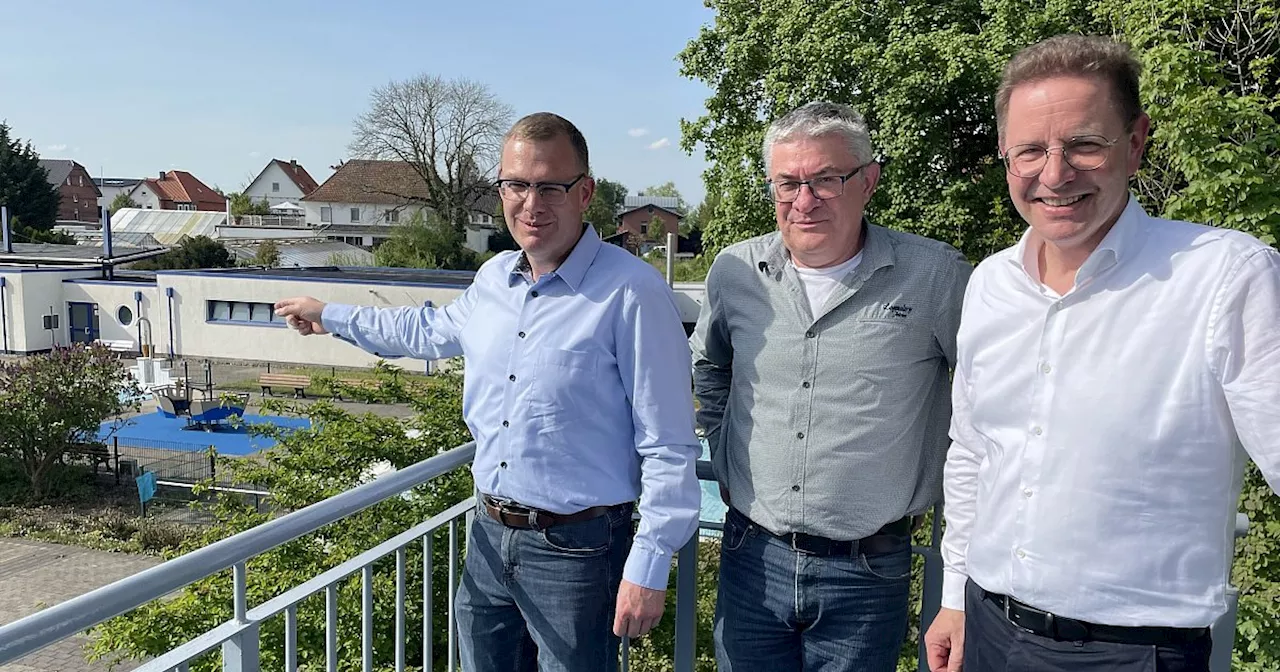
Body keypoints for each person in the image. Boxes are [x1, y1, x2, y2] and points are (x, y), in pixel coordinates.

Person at [274, 112, 702, 672]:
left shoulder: (633, 293)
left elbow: (669, 442)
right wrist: (330, 315)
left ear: (586, 193)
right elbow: (427, 331)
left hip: (579, 550)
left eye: (551, 186)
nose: (532, 203)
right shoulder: (495, 277)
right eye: (516, 185)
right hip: (487, 536)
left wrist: (649, 564)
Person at [924, 34, 1280, 672]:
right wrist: (953, 598)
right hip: (988, 626)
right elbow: (975, 451)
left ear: (1137, 142)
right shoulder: (991, 283)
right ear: (1006, 158)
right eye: (1030, 150)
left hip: (1135, 649)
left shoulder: (1227, 276)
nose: (1054, 174)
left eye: (1084, 144)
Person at [690, 100, 971, 671]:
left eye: (826, 179)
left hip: (867, 568)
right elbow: (710, 367)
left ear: (868, 181)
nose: (804, 199)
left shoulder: (935, 274)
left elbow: (984, 394)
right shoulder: (735, 272)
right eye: (787, 183)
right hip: (751, 556)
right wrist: (723, 450)